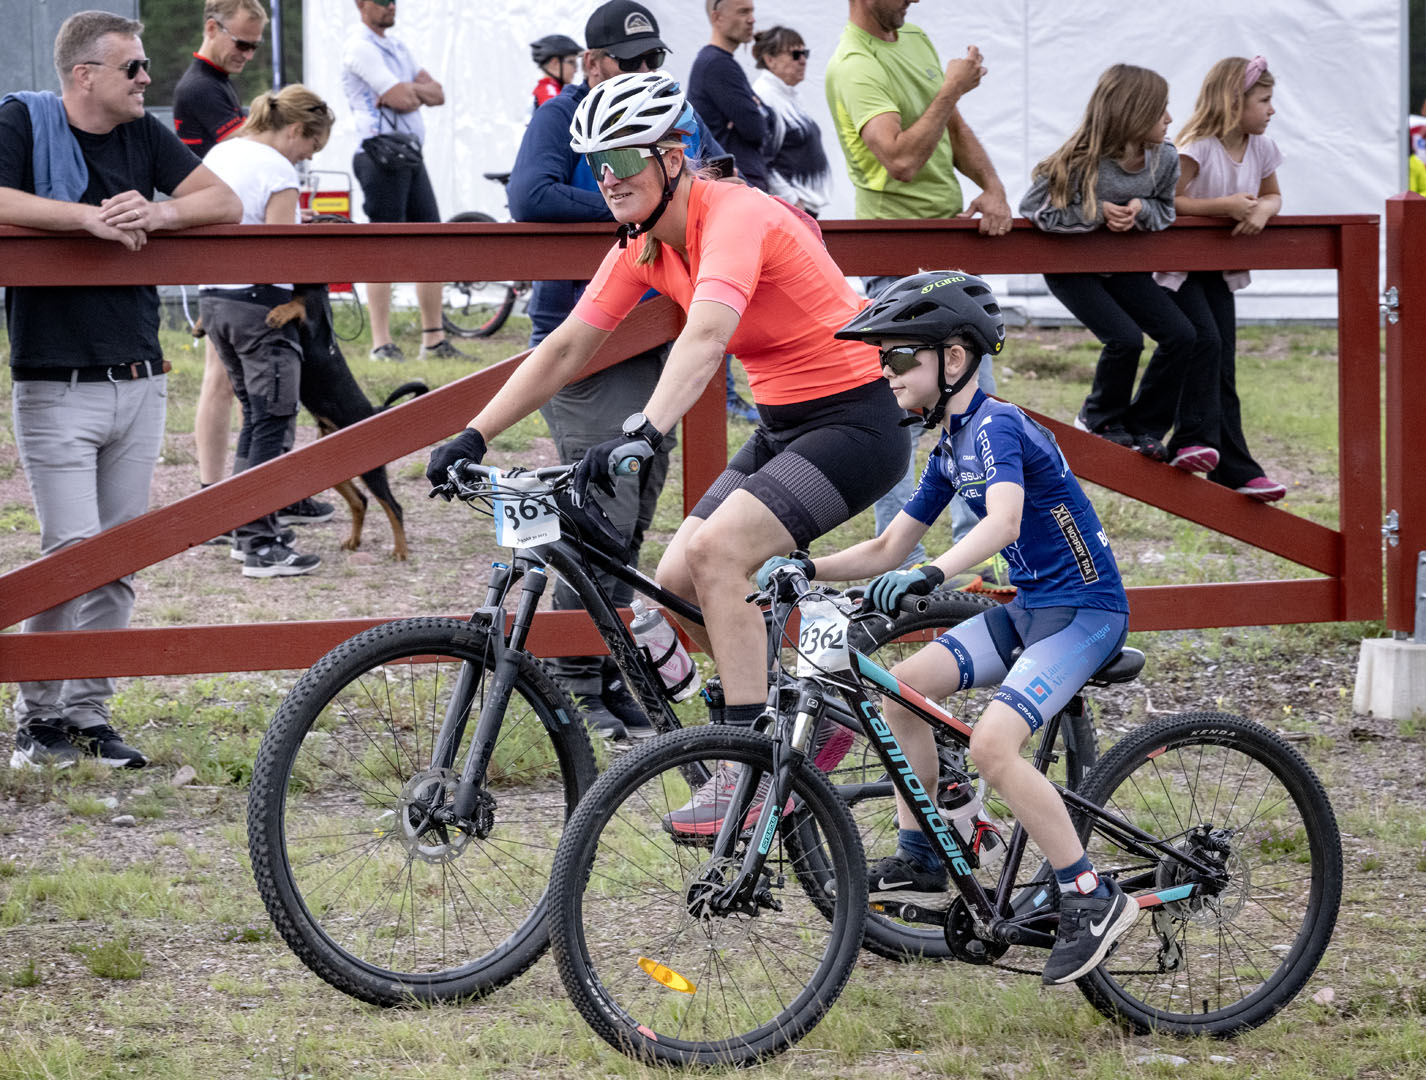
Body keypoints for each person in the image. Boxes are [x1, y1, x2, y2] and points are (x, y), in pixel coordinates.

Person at [426, 71, 908, 764]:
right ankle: (801, 720)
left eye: (624, 160)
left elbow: (707, 335)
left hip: (858, 423)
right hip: (784, 427)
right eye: (597, 165)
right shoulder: (644, 243)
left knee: (718, 554)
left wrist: (644, 430)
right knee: (678, 584)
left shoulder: (736, 216)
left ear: (671, 158)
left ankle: (750, 766)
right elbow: (565, 347)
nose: (610, 180)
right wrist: (473, 432)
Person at [759, 271, 1136, 986]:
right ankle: (925, 855)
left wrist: (935, 577)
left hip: (1087, 612)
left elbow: (1002, 522)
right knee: (901, 690)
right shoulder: (950, 445)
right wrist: (803, 566)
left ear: (954, 359)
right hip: (1032, 611)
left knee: (994, 746)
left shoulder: (995, 424)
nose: (886, 373)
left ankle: (1091, 895)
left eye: (899, 357)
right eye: (883, 360)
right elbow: (884, 549)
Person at [0, 10, 241, 769]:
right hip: (53, 379)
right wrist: (86, 221)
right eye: (133, 67)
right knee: (68, 553)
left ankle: (88, 714)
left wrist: (159, 212)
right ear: (85, 76)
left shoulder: (143, 134)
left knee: (119, 557)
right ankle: (38, 718)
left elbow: (224, 201)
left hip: (138, 377)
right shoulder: (21, 121)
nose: (148, 80)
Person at [506, 0, 723, 742]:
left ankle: (599, 672)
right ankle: (571, 682)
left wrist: (654, 205)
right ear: (591, 63)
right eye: (626, 61)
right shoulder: (562, 116)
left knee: (624, 527)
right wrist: (632, 204)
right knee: (599, 518)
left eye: (651, 60)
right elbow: (528, 196)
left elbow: (720, 174)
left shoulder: (669, 113)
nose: (641, 73)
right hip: (592, 341)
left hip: (663, 335)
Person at [825, 0, 1012, 577]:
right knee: (905, 413)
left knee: (973, 405)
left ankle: (968, 562)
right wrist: (951, 89)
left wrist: (993, 187)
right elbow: (902, 159)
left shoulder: (917, 39)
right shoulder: (854, 66)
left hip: (947, 257)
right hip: (898, 264)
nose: (912, 1)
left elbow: (951, 129)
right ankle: (902, 564)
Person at [1019, 63, 1190, 464]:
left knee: (1182, 335)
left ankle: (1144, 427)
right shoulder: (1077, 162)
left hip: (1123, 268)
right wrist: (1095, 213)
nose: (1169, 118)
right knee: (1125, 339)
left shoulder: (1164, 159)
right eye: (1160, 109)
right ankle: (1099, 419)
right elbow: (1034, 211)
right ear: (1132, 112)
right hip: (1072, 271)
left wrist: (1140, 209)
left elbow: (1166, 209)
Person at [199, 85, 336, 577]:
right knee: (273, 418)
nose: (305, 159)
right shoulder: (276, 168)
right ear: (297, 130)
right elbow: (282, 247)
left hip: (217, 300)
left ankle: (247, 526)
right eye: (310, 148)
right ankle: (260, 542)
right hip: (261, 305)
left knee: (255, 417)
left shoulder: (223, 151)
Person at [1152, 56, 1287, 501]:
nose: (1271, 110)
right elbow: (1171, 200)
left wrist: (1263, 210)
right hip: (1179, 271)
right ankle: (1190, 441)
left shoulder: (1262, 147)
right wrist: (1225, 206)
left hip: (1217, 272)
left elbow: (1272, 195)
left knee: (1223, 360)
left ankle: (1234, 466)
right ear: (1234, 100)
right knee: (1204, 342)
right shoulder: (1196, 147)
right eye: (1264, 100)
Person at [173, 0, 264, 522]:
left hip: (225, 239)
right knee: (220, 375)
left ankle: (232, 491)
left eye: (255, 47)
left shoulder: (213, 84)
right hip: (218, 242)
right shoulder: (200, 88)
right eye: (241, 43)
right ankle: (211, 495)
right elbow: (255, 147)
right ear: (213, 28)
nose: (247, 55)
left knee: (231, 376)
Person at [341, 0, 464, 362]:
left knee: (431, 241)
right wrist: (409, 91)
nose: (391, 6)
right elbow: (402, 98)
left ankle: (433, 339)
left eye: (394, 0)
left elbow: (436, 94)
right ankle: (381, 343)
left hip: (407, 152)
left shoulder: (396, 46)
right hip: (379, 153)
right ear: (361, 5)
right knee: (382, 246)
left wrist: (409, 91)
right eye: (382, 1)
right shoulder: (359, 47)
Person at [750, 26, 832, 217]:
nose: (803, 60)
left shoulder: (787, 96)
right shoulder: (766, 97)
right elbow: (763, 158)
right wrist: (792, 202)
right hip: (790, 211)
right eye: (795, 54)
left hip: (800, 209)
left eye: (805, 53)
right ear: (770, 60)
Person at [688, 0, 769, 193]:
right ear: (717, 17)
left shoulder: (717, 62)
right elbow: (756, 129)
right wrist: (756, 110)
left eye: (752, 11)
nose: (752, 19)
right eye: (743, 12)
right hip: (737, 183)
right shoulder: (717, 65)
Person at [529, 33, 582, 113]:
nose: (575, 70)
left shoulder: (548, 91)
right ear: (555, 63)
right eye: (571, 62)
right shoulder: (550, 95)